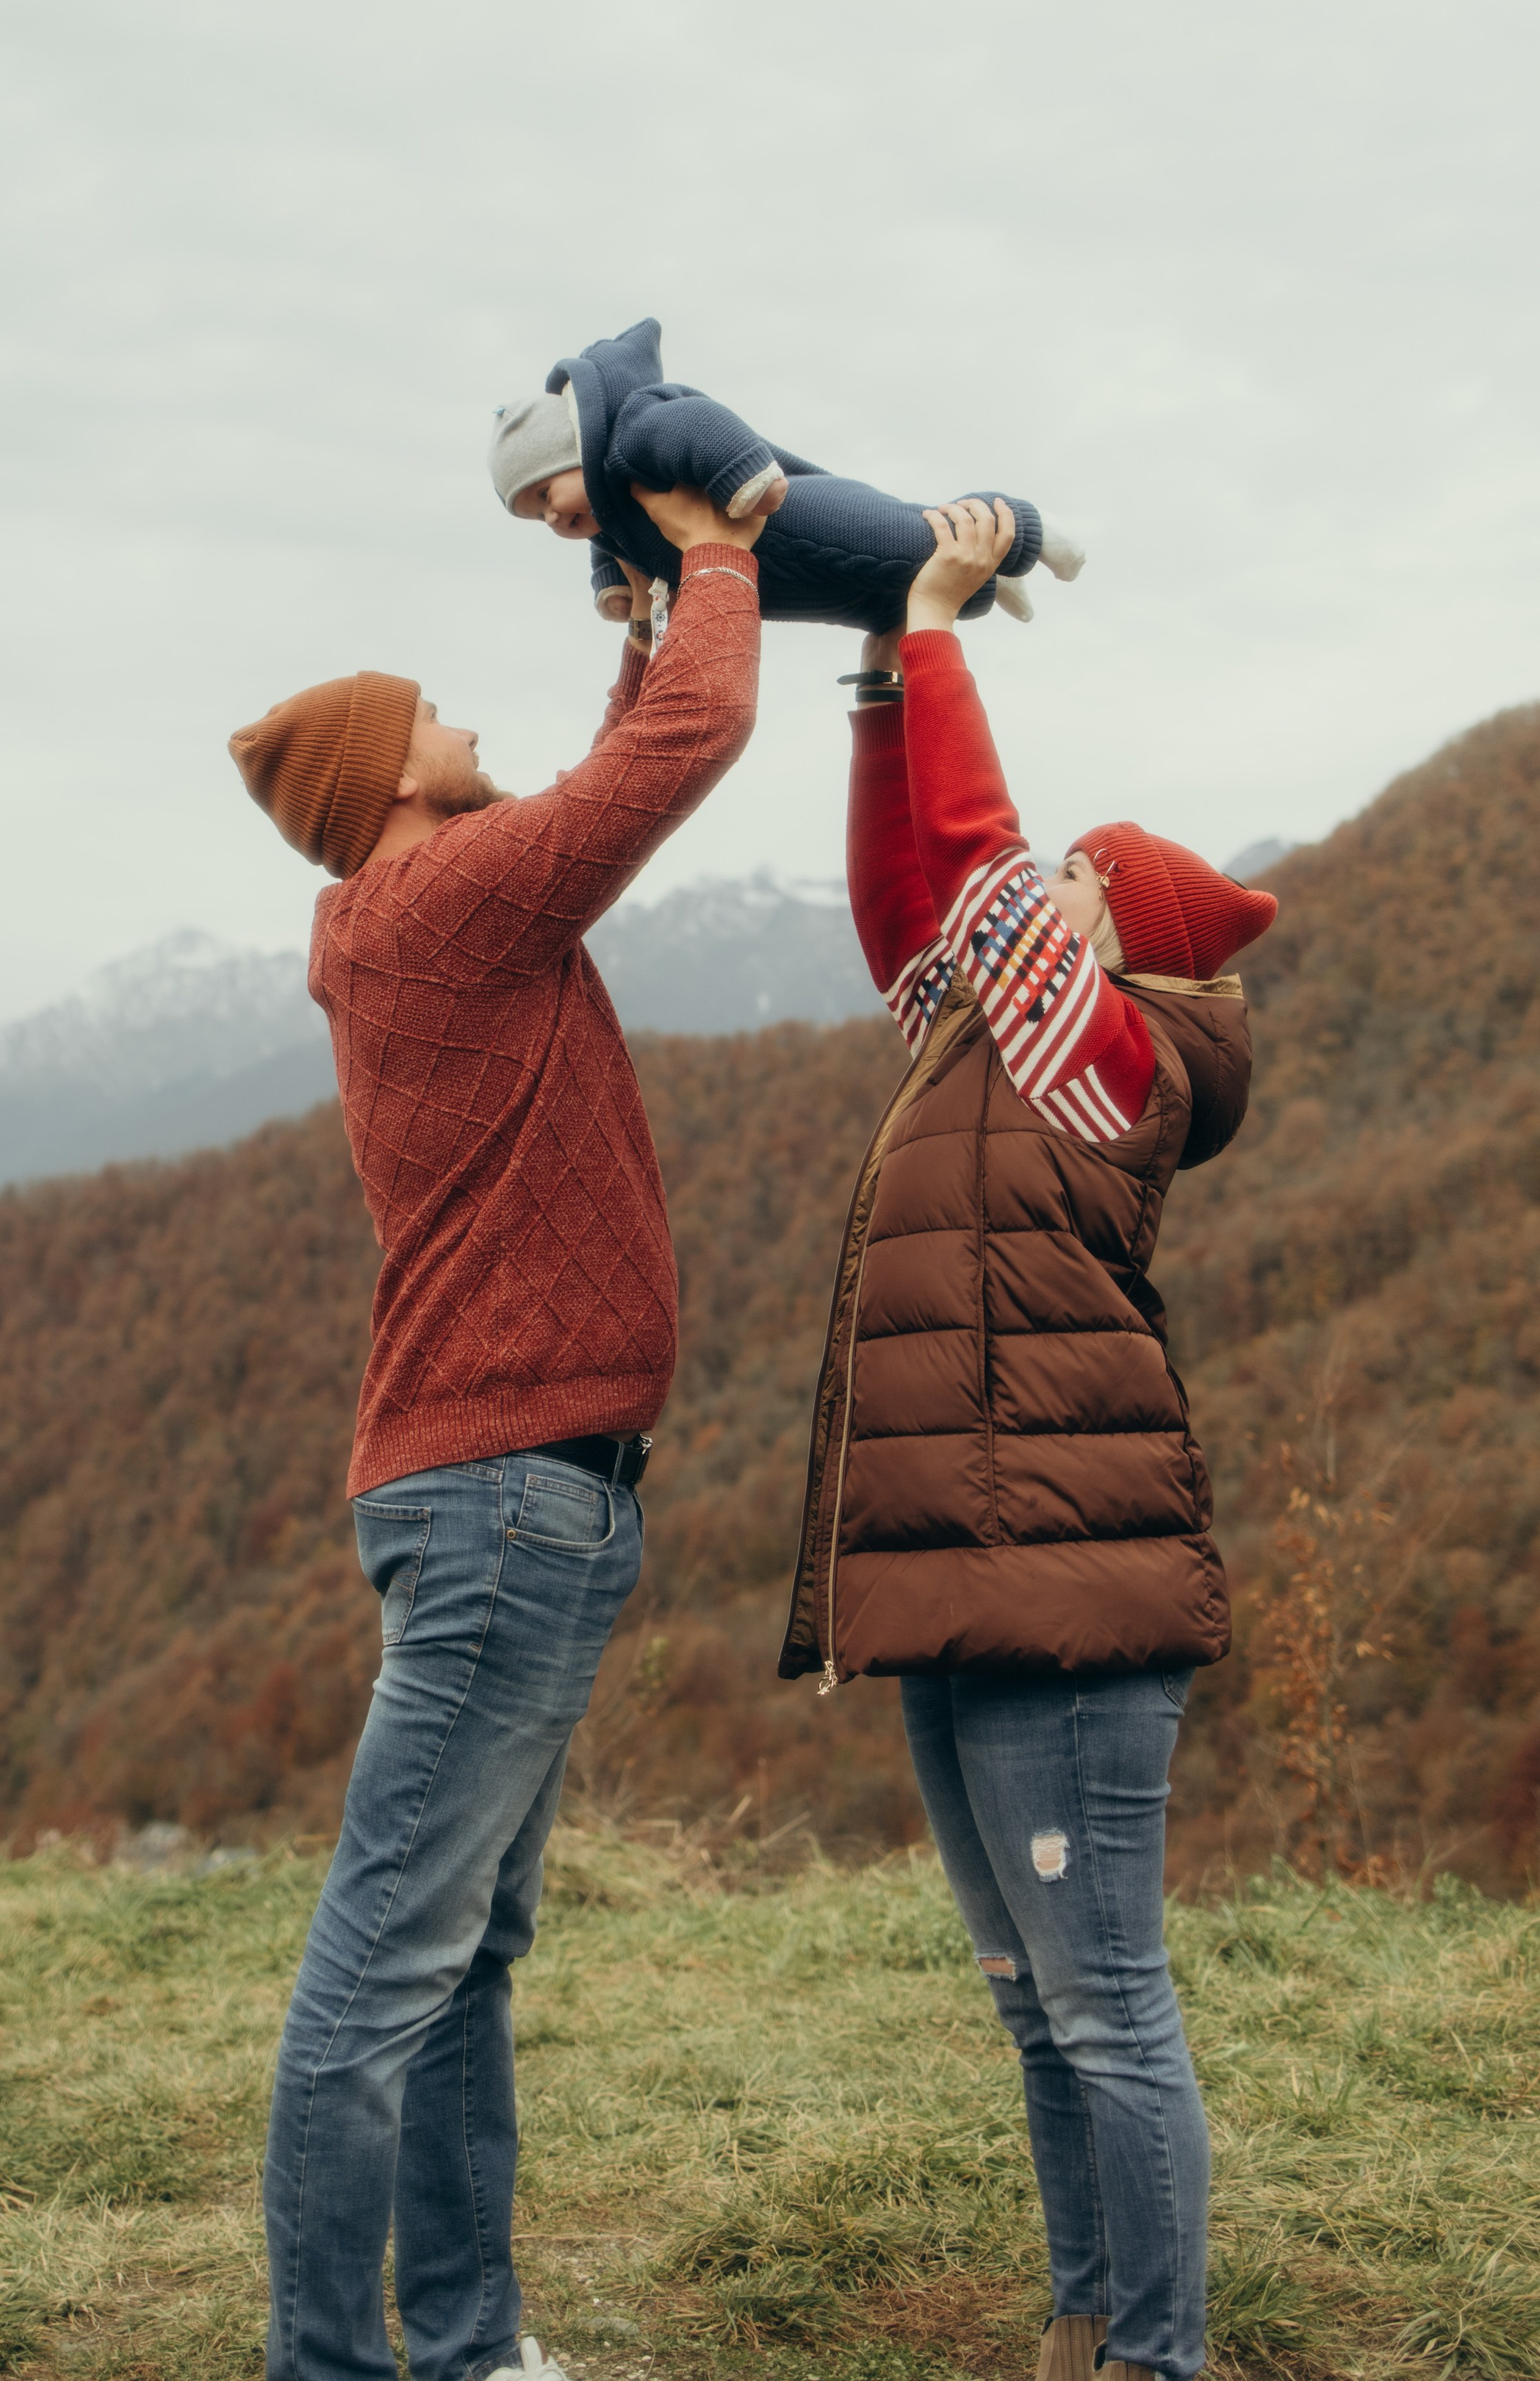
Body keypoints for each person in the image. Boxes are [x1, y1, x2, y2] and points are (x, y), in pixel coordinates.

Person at [225, 485, 762, 2381]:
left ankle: (465, 2346)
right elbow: (684, 746)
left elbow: (625, 735)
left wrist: (631, 616)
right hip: (503, 1503)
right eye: (428, 709)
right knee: (387, 1962)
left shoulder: (423, 913)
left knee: (452, 1960)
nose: (457, 714)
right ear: (384, 777)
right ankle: (335, 2363)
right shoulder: (441, 902)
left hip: (510, 1493)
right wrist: (709, 551)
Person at [778, 497, 1278, 2381]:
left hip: (1063, 1598)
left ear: (1115, 938)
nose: (1035, 881)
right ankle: (1080, 2323)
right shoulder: (987, 1033)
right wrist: (865, 691)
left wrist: (933, 621)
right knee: (1031, 2004)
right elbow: (914, 912)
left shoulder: (1107, 1059)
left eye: (1074, 876)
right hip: (965, 1576)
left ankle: (1156, 2354)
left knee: (1108, 2005)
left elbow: (977, 868)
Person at [488, 312, 1084, 631]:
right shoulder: (606, 522)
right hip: (766, 576)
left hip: (788, 510)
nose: (552, 515)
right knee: (877, 602)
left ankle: (1020, 527)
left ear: (575, 449)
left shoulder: (633, 433)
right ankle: (985, 580)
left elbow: (695, 422)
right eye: (535, 515)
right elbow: (609, 548)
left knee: (902, 536)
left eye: (545, 492)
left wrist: (743, 472)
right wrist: (615, 588)